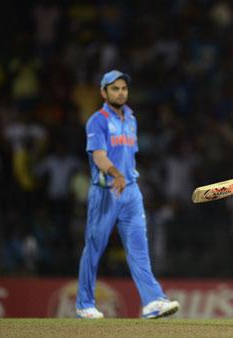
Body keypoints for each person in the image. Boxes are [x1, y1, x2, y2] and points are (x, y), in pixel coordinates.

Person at [75, 70, 179, 319]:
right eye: (115, 88)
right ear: (103, 92)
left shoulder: (131, 118)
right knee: (94, 247)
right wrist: (115, 174)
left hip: (131, 191)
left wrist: (126, 178)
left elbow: (129, 154)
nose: (121, 92)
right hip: (106, 191)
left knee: (139, 248)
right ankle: (84, 304)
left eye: (123, 88)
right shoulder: (97, 121)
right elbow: (99, 156)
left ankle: (153, 301)